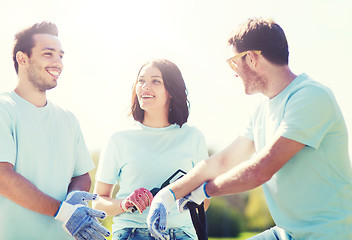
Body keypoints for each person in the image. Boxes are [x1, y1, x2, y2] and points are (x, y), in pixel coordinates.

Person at [146, 17, 352, 240]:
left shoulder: (310, 96)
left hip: (329, 233)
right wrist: (166, 196)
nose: (234, 72)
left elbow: (260, 169)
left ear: (252, 58)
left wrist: (205, 190)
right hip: (288, 233)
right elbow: (221, 162)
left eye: (234, 62)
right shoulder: (261, 112)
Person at [0, 22, 110, 240]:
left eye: (60, 56)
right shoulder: (5, 109)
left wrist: (74, 199)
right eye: (48, 54)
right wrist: (64, 212)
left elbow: (81, 175)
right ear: (22, 59)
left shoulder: (68, 119)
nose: (58, 63)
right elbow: (2, 178)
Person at [93, 59, 210, 240]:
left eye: (155, 81)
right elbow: (98, 202)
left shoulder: (193, 137)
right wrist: (125, 203)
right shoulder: (119, 139)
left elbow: (205, 201)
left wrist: (173, 195)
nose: (145, 86)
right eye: (141, 81)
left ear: (171, 90)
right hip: (131, 233)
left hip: (182, 234)